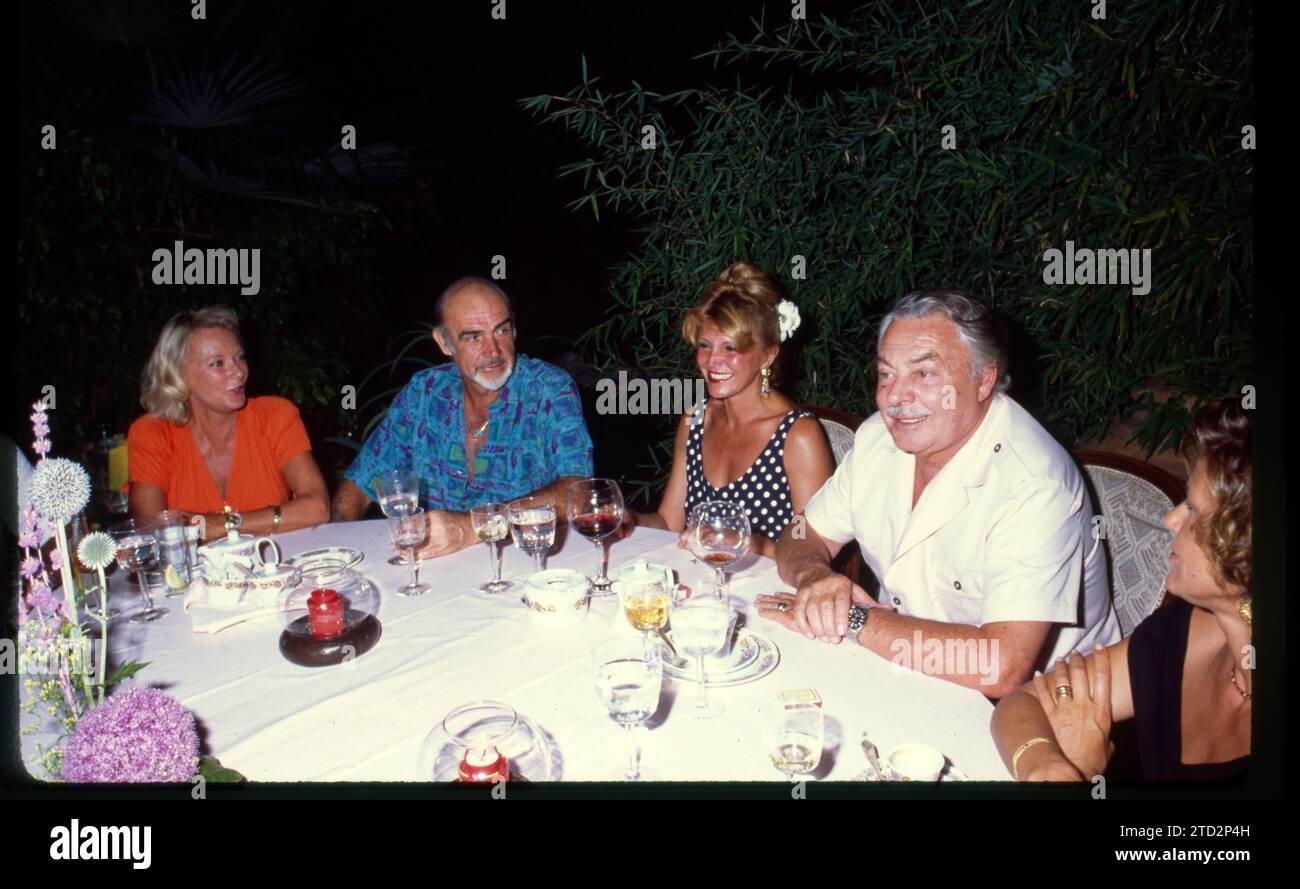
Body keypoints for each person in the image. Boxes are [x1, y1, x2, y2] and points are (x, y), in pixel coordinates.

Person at [757, 289, 1121, 698]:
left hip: (1043, 707)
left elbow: (999, 667)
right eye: (886, 374)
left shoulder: (1034, 483)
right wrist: (814, 575)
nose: (895, 397)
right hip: (911, 670)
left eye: (924, 374)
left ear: (984, 378)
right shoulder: (879, 438)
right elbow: (803, 531)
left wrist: (854, 619)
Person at [991, 398, 1251, 781]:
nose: (1170, 519)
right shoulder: (1188, 630)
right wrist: (1051, 765)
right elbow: (1022, 703)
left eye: (1192, 509)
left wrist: (1088, 771)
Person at [331, 277, 595, 558]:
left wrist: (471, 527)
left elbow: (578, 492)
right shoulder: (425, 393)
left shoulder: (549, 389)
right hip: (437, 572)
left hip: (522, 565)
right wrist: (341, 559)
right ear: (444, 343)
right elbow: (356, 488)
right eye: (473, 337)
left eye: (501, 330)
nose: (493, 351)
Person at [629, 262, 835, 558]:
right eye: (705, 345)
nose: (712, 362)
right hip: (702, 584)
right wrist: (629, 522)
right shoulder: (695, 420)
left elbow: (815, 549)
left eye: (731, 348)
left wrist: (750, 544)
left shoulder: (798, 435)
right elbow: (669, 522)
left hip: (772, 594)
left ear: (767, 356)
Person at [128, 306, 330, 541]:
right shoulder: (151, 434)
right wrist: (266, 520)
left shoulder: (274, 416)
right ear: (178, 375)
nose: (238, 372)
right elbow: (152, 532)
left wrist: (222, 524)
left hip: (272, 568)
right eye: (217, 363)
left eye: (239, 357)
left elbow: (318, 508)